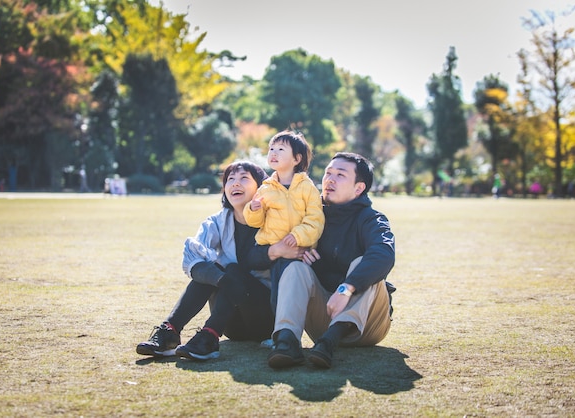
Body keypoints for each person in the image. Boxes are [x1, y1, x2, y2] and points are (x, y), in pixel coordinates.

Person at [251, 152, 396, 369]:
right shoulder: (308, 215)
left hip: (367, 326)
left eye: (340, 175)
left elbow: (384, 253)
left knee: (364, 265)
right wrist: (283, 251)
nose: (330, 179)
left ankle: (331, 340)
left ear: (359, 188)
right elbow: (253, 256)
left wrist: (346, 289)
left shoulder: (371, 219)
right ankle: (287, 341)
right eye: (328, 173)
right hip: (321, 321)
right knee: (296, 268)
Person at [136, 161, 291, 361]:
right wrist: (222, 280)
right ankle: (170, 331)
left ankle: (209, 337)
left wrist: (228, 276)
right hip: (232, 325)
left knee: (232, 269)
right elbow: (192, 260)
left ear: (261, 187)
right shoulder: (217, 222)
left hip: (264, 318)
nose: (235, 184)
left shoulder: (275, 221)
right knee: (215, 269)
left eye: (244, 178)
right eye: (230, 179)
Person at [243, 130, 324, 312]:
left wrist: (298, 235)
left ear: (296, 159)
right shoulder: (266, 188)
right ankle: (277, 331)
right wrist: (253, 209)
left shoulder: (307, 188)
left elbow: (315, 219)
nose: (273, 153)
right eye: (271, 148)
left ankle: (286, 329)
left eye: (280, 149)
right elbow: (256, 223)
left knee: (288, 293)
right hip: (273, 250)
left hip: (297, 251)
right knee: (274, 295)